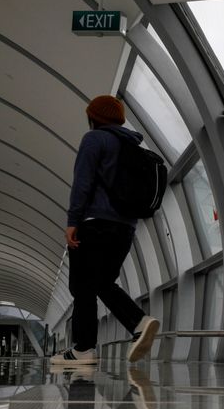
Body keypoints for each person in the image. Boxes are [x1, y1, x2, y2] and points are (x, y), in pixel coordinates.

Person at [52, 96, 160, 366]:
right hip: (125, 228)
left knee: (81, 285)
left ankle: (85, 349)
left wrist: (73, 221)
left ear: (93, 118)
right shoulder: (133, 146)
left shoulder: (95, 140)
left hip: (95, 224)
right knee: (100, 282)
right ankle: (136, 323)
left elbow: (83, 183)